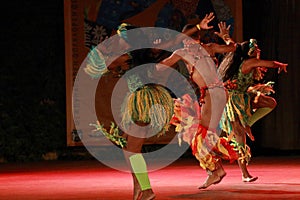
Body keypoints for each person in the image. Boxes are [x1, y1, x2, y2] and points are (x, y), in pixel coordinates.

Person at [84, 13, 217, 200]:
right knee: (129, 149)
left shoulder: (126, 55)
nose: (116, 39)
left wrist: (198, 29)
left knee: (132, 150)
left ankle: (146, 190)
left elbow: (102, 65)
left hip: (144, 101)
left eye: (119, 37)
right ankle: (138, 188)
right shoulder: (134, 53)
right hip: (143, 98)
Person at [156, 21, 239, 189]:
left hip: (212, 93)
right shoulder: (209, 47)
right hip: (218, 93)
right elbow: (233, 48)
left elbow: (160, 67)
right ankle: (215, 168)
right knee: (200, 133)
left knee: (199, 136)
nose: (185, 42)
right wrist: (226, 38)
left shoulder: (183, 52)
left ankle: (215, 170)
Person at [217, 38, 288, 182]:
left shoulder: (246, 61)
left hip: (244, 96)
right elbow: (269, 63)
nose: (258, 51)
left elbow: (236, 47)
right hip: (233, 101)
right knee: (240, 139)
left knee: (270, 102)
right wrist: (280, 65)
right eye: (256, 49)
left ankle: (247, 123)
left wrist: (227, 38)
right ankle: (245, 174)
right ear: (250, 52)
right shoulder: (250, 62)